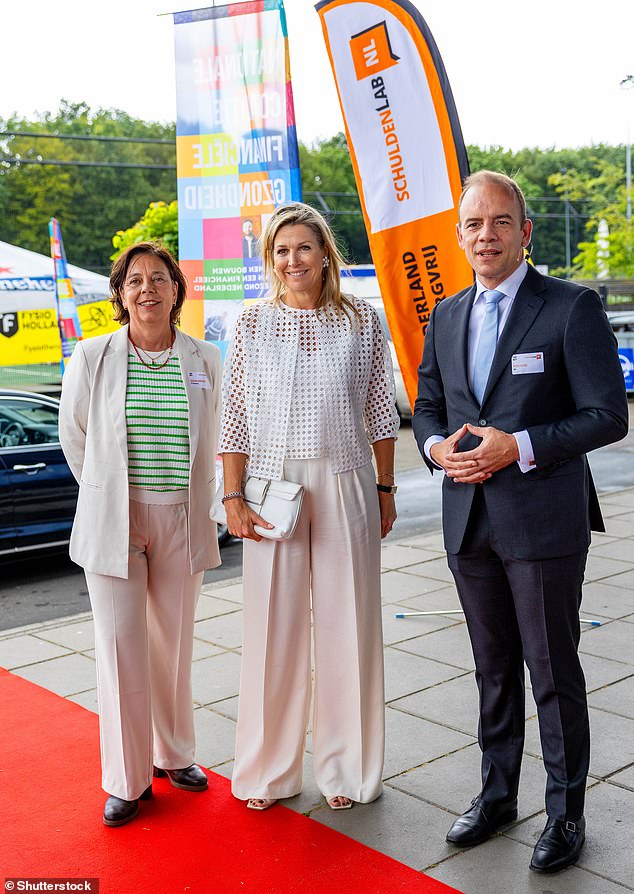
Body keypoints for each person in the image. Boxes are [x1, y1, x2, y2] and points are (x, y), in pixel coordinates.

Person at [413, 171, 628, 873]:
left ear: (525, 231)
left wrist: (522, 446)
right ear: (460, 236)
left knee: (551, 670)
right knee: (492, 668)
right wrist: (435, 447)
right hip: (467, 521)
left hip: (542, 522)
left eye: (501, 222)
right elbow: (429, 405)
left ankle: (565, 813)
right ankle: (497, 793)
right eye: (474, 224)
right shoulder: (445, 315)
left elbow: (607, 416)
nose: (486, 235)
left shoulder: (571, 307)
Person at [219, 201, 399, 811]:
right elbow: (235, 416)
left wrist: (385, 487)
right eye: (281, 250)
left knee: (351, 625)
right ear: (270, 260)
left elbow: (380, 410)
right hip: (271, 485)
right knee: (273, 627)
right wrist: (232, 495)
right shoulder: (250, 323)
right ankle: (269, 771)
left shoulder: (362, 321)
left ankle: (346, 771)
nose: (293, 260)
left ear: (325, 253)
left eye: (304, 247)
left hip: (347, 478)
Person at [59, 242, 223, 827]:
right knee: (122, 649)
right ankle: (127, 780)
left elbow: (221, 437)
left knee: (172, 645)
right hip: (115, 521)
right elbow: (75, 437)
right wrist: (107, 497)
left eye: (159, 279)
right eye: (135, 281)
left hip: (182, 514)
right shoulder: (93, 355)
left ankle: (175, 755)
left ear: (177, 291)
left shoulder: (206, 359)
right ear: (120, 294)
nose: (147, 289)